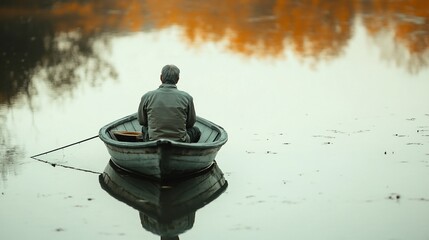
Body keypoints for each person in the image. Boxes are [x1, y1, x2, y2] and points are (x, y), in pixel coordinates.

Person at [137, 64, 201, 143]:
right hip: (181, 141)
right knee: (196, 131)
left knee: (144, 129)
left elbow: (142, 121)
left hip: (153, 140)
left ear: (161, 78)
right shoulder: (187, 98)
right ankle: (186, 152)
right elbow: (190, 124)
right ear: (177, 79)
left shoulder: (147, 97)